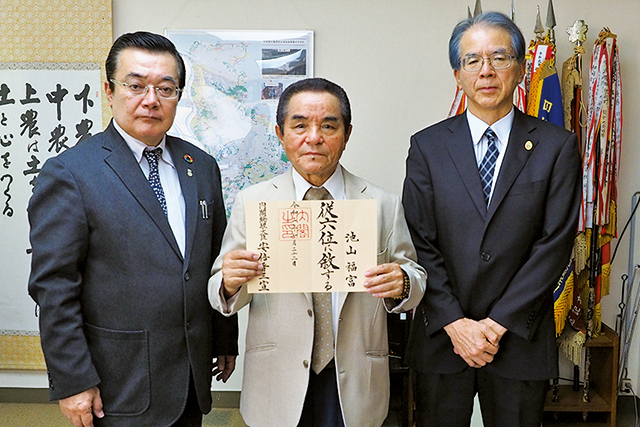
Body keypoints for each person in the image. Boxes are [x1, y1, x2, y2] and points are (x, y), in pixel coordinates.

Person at [28, 32, 238, 427]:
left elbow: (214, 260)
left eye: (165, 88)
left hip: (191, 374)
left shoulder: (202, 166)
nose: (151, 99)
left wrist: (225, 339)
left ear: (179, 95)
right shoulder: (71, 173)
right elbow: (53, 288)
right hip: (118, 382)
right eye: (136, 85)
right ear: (109, 90)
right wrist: (73, 381)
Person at [209, 77, 426, 427]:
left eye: (328, 125)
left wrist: (401, 283)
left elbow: (415, 277)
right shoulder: (253, 202)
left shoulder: (382, 203)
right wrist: (230, 283)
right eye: (299, 125)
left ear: (347, 133)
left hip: (354, 377)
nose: (314, 137)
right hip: (276, 378)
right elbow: (219, 288)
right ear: (280, 134)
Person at [402, 11, 581, 427]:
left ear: (519, 69)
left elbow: (555, 242)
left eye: (500, 59)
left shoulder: (557, 146)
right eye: (473, 60)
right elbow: (419, 241)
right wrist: (456, 323)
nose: (486, 71)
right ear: (457, 74)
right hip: (443, 336)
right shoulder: (427, 147)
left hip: (520, 337)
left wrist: (497, 324)